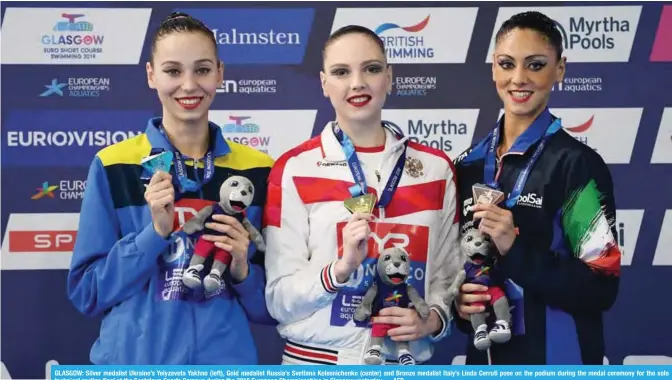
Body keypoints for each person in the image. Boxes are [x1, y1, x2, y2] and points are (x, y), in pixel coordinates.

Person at [67, 12, 275, 365]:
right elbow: (88, 292)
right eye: (173, 71)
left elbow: (271, 309)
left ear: (220, 74)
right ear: (151, 75)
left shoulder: (257, 170)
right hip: (134, 366)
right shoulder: (115, 164)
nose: (189, 85)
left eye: (203, 70)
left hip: (225, 366)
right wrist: (154, 235)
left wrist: (242, 270)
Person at [263, 25, 462, 365]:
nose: (357, 83)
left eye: (370, 69)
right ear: (324, 83)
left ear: (389, 76)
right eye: (342, 72)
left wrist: (434, 319)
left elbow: (448, 274)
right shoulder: (295, 168)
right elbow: (279, 298)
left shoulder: (435, 168)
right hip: (316, 363)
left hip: (403, 362)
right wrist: (338, 271)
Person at [452, 11, 621, 364]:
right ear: (493, 69)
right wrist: (461, 305)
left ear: (559, 69)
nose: (519, 78)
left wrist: (514, 249)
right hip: (485, 360)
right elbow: (459, 268)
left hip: (559, 358)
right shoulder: (468, 166)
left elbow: (602, 285)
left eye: (535, 64)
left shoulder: (575, 164)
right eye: (507, 63)